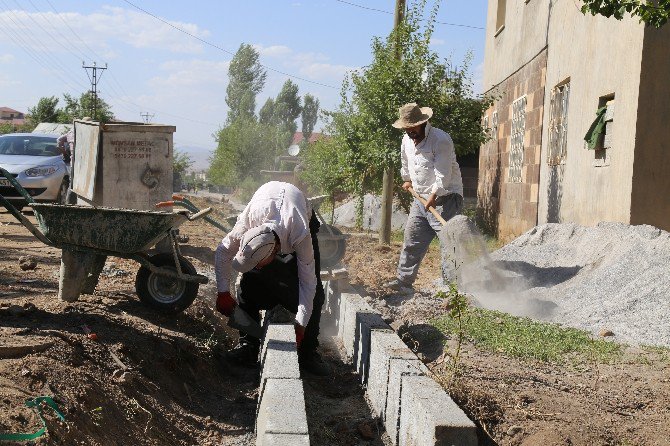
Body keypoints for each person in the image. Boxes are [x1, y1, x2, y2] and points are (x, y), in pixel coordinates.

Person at [214, 181, 329, 375]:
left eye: (260, 262)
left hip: (301, 214)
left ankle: (308, 353)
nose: (258, 266)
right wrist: (223, 291)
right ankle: (248, 347)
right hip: (266, 206)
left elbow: (308, 283)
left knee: (315, 295)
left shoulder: (301, 234)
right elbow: (223, 251)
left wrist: (300, 327)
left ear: (275, 251)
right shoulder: (247, 223)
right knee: (248, 286)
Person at [384, 103, 464, 294]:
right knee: (412, 239)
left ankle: (451, 288)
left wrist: (433, 196)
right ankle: (403, 281)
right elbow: (405, 160)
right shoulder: (406, 139)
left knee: (448, 242)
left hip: (445, 197)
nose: (410, 131)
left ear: (423, 123)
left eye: (413, 127)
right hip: (420, 198)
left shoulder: (440, 140)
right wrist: (407, 179)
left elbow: (443, 174)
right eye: (407, 128)